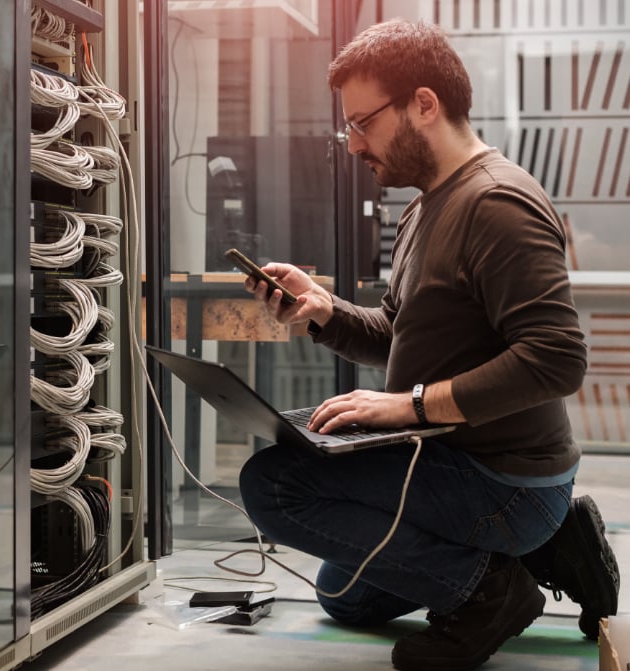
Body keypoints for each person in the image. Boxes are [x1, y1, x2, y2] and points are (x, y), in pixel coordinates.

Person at [238, 18, 619, 671]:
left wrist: (408, 407)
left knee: (275, 484)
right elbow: (398, 332)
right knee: (343, 595)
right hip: (454, 457)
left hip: (504, 479)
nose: (354, 145)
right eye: (347, 127)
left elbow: (557, 357)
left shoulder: (497, 202)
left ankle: (493, 591)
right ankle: (547, 549)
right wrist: (324, 311)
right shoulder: (423, 207)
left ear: (424, 102)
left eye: (363, 123)